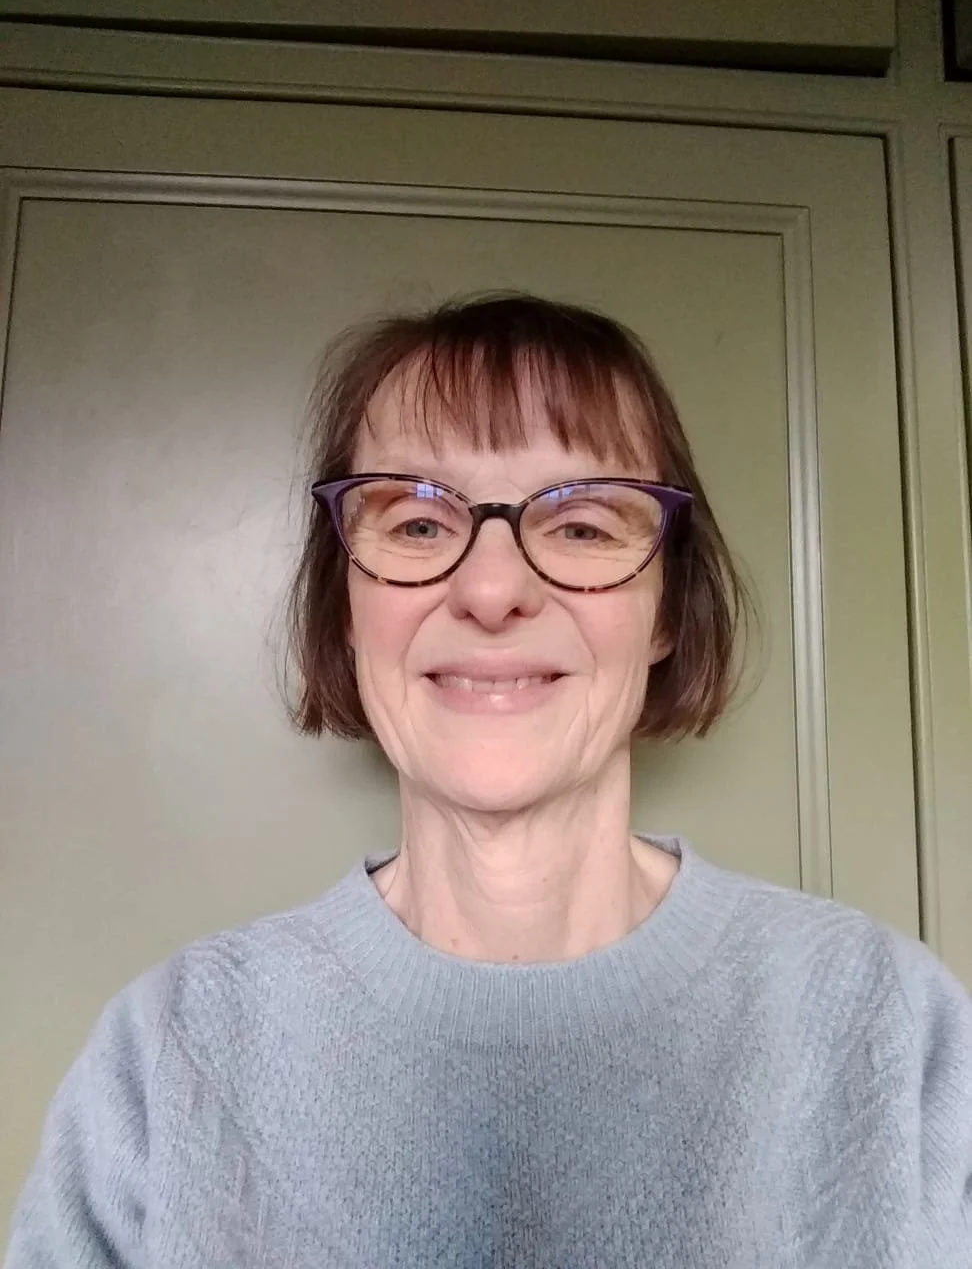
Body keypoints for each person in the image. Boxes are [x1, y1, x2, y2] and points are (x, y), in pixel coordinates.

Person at [5, 293, 971, 1269]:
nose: (493, 589)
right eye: (418, 524)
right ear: (347, 604)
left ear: (667, 611)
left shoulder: (890, 1028)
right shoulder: (172, 1050)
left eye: (585, 526)